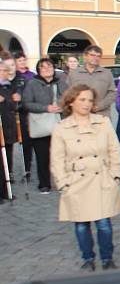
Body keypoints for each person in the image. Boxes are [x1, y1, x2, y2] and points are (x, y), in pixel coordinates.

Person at [50, 84, 120, 271]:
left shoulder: (102, 123)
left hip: (101, 179)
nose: (86, 104)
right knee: (82, 225)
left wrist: (115, 175)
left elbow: (114, 150)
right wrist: (63, 184)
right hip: (76, 182)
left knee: (104, 224)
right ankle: (87, 259)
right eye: (82, 100)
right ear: (71, 101)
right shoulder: (62, 128)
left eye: (90, 100)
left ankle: (107, 259)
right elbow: (57, 159)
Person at [22, 58, 68, 193]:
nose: (47, 69)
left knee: (60, 156)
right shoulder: (32, 84)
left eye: (50, 66)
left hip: (59, 123)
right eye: (44, 67)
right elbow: (27, 104)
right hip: (41, 124)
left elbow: (68, 98)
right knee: (42, 156)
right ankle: (44, 183)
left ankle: (62, 182)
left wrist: (62, 106)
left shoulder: (61, 83)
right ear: (39, 70)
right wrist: (45, 108)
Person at [67, 45, 116, 118]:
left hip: (101, 115)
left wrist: (99, 106)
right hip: (79, 116)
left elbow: (112, 93)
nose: (95, 58)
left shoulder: (107, 73)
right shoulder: (74, 73)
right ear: (85, 56)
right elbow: (68, 93)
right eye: (92, 55)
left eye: (98, 56)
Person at [13, 52, 35, 177]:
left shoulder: (32, 75)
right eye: (19, 61)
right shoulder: (14, 76)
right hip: (19, 111)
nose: (22, 63)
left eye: (23, 60)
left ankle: (30, 167)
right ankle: (26, 168)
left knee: (33, 140)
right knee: (24, 141)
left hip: (32, 111)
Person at [0, 62, 16, 201]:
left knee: (7, 159)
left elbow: (14, 105)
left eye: (6, 70)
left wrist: (4, 100)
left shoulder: (9, 86)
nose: (4, 72)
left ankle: (7, 190)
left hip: (7, 126)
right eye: (2, 70)